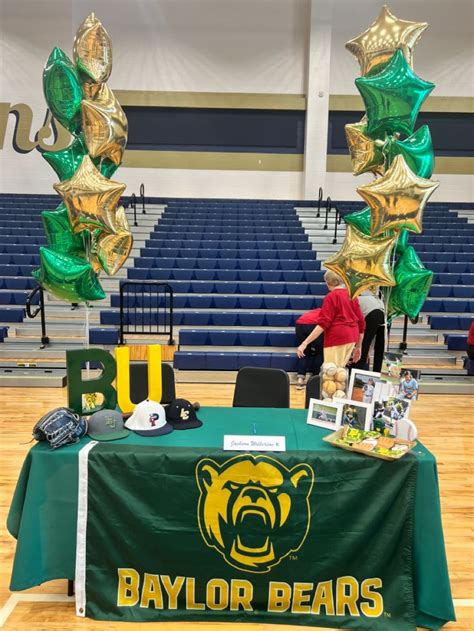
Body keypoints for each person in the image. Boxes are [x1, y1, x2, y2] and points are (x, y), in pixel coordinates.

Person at [296, 270, 365, 369]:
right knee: (340, 371)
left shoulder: (331, 297)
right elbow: (362, 323)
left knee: (330, 373)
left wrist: (305, 343)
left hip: (337, 337)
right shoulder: (351, 296)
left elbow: (323, 324)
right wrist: (358, 346)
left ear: (328, 283)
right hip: (351, 337)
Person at [351, 287, 385, 372]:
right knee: (379, 347)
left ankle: (358, 372)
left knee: (363, 346)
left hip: (372, 314)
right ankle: (378, 372)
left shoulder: (354, 298)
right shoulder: (371, 296)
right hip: (382, 313)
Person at [294, 308, 324, 389]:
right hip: (315, 325)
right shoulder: (330, 313)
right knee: (320, 353)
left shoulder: (317, 310)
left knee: (304, 352)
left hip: (300, 323)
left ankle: (300, 379)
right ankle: (315, 380)